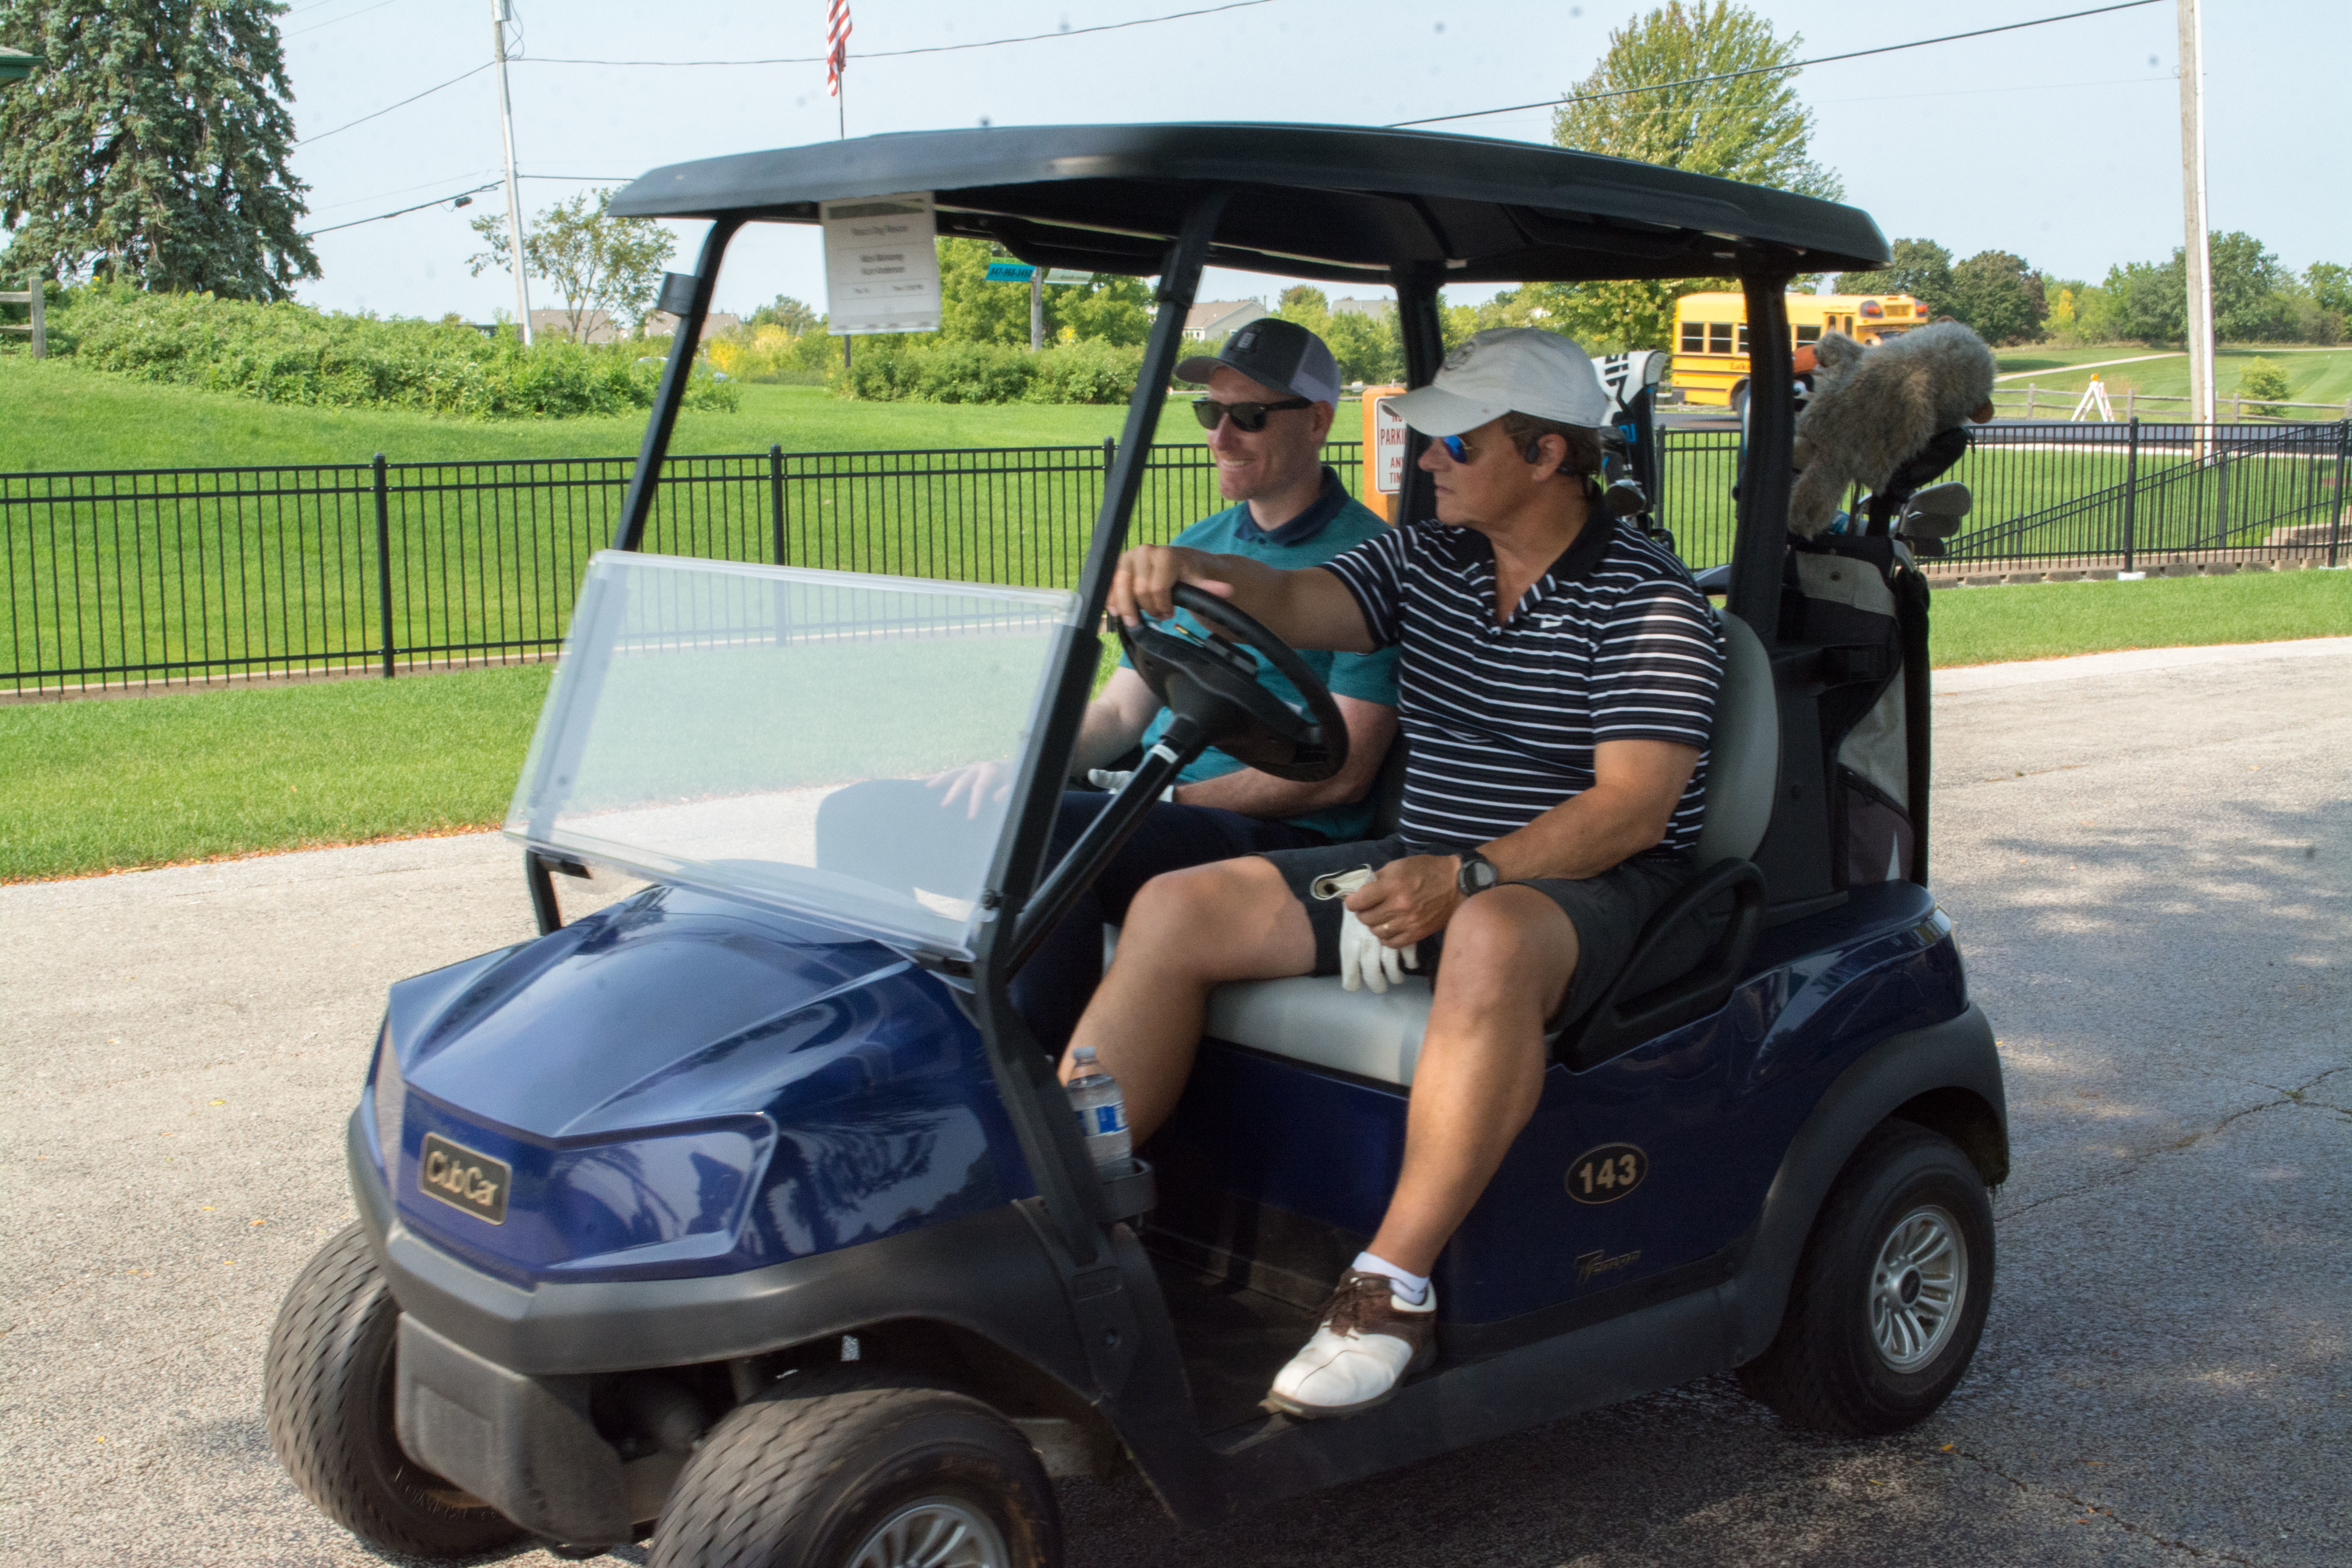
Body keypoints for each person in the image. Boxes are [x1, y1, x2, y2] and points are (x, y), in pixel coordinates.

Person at [1062, 327, 1725, 1419]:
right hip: (1432, 862)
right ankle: (1070, 1203)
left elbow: (1631, 809)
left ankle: (1393, 1288)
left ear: (1546, 455)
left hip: (1601, 886)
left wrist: (1466, 877)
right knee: (1176, 906)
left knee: (1493, 935)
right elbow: (1292, 601)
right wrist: (1191, 571)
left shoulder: (1646, 601)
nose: (1425, 461)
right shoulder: (1430, 560)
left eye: (1456, 443)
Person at [1004, 319, 1400, 1055]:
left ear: (1318, 422)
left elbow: (1341, 776)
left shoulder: (1369, 569)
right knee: (986, 813)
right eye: (1209, 413)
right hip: (1166, 802)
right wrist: (1025, 762)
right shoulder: (1198, 546)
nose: (1221, 437)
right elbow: (1121, 712)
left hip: (1284, 835)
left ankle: (1039, 1082)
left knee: (1049, 835)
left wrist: (1157, 802)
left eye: (1248, 416)